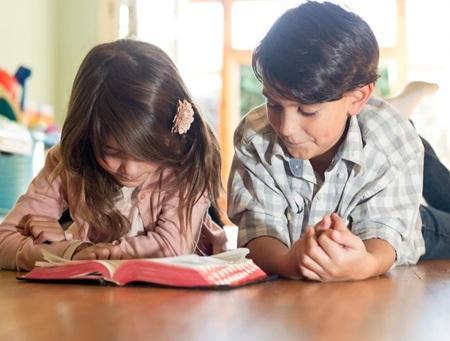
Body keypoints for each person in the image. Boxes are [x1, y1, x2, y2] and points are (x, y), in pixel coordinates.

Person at [227, 1, 450, 282]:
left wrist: (366, 263)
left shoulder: (390, 141)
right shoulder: (254, 137)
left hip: (409, 220)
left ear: (357, 98)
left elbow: (388, 234)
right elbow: (256, 232)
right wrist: (287, 262)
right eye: (273, 104)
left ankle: (406, 124)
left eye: (307, 111)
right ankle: (398, 113)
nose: (287, 128)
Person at [0, 39, 227, 271]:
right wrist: (70, 251)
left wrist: (86, 253)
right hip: (99, 297)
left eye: (146, 152)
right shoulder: (71, 158)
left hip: (181, 300)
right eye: (111, 151)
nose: (130, 169)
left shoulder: (184, 161)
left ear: (171, 135)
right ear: (87, 135)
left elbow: (170, 249)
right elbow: (4, 239)